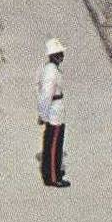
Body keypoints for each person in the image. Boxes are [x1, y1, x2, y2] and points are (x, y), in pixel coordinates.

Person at [37, 39, 68, 186]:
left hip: (56, 108)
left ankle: (51, 170)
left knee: (53, 142)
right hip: (54, 110)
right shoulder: (51, 71)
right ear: (53, 55)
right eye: (59, 53)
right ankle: (53, 177)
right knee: (54, 144)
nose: (62, 56)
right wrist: (43, 115)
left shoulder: (52, 68)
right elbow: (46, 95)